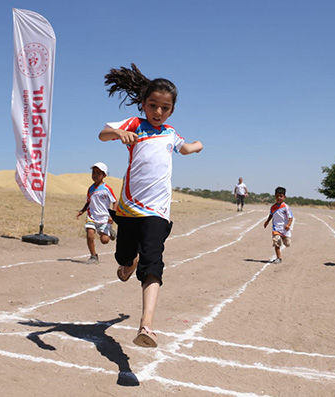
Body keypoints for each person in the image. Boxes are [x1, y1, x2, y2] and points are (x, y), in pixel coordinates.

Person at [99, 63, 203, 348]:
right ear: (143, 104)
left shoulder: (170, 134)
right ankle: (128, 262)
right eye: (153, 105)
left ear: (171, 110)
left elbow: (186, 148)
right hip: (129, 209)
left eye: (165, 108)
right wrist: (119, 134)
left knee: (154, 264)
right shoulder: (135, 125)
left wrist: (198, 145)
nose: (158, 112)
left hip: (157, 212)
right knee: (123, 259)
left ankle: (147, 325)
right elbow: (103, 133)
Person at [76, 162, 117, 264]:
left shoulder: (107, 189)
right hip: (92, 217)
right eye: (93, 172)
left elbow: (115, 201)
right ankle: (93, 256)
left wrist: (113, 215)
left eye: (98, 173)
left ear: (104, 175)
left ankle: (110, 231)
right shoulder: (90, 189)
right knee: (90, 235)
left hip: (104, 218)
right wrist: (82, 211)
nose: (95, 175)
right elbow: (89, 202)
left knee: (104, 240)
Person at [263, 186, 293, 264]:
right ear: (275, 196)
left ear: (284, 197)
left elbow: (290, 217)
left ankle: (284, 238)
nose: (279, 198)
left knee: (287, 243)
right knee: (276, 242)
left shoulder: (286, 207)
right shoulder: (273, 207)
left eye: (281, 196)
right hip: (276, 228)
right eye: (277, 196)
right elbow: (271, 215)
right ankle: (278, 258)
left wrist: (288, 225)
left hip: (285, 228)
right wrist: (267, 221)